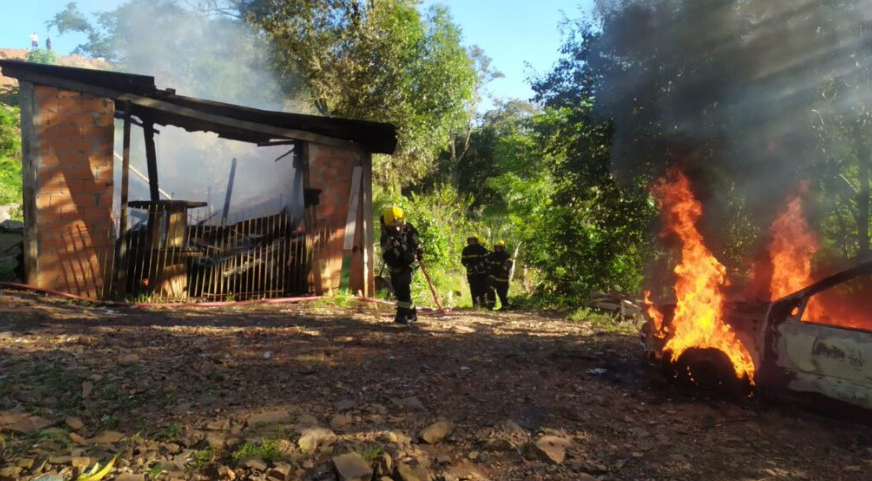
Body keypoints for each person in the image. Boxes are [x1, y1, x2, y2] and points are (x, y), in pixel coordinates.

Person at [380, 205, 422, 324]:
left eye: (398, 225)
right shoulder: (385, 232)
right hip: (394, 264)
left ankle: (401, 316)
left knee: (403, 286)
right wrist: (392, 249)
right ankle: (412, 312)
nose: (396, 228)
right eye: (393, 226)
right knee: (398, 291)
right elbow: (386, 250)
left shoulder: (409, 229)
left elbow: (417, 245)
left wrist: (414, 252)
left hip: (408, 263)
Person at [461, 234, 489, 307]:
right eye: (470, 240)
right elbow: (463, 260)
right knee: (473, 288)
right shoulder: (466, 250)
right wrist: (469, 266)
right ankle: (475, 304)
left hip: (482, 273)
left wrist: (479, 266)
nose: (471, 241)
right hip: (471, 273)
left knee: (483, 288)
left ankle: (483, 304)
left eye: (473, 240)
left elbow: (486, 259)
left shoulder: (482, 249)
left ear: (476, 240)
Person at [486, 240, 513, 311]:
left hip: (502, 279)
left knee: (502, 294)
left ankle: (505, 307)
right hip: (493, 277)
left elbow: (508, 265)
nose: (497, 248)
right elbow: (486, 263)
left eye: (499, 247)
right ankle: (491, 304)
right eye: (496, 247)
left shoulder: (506, 256)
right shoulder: (491, 255)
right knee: (490, 288)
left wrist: (505, 267)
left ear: (503, 248)